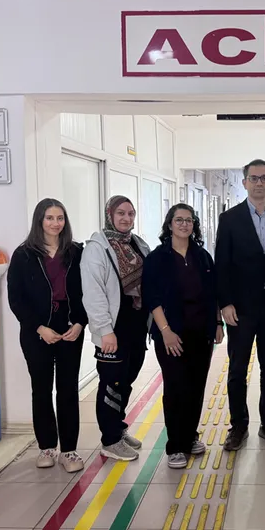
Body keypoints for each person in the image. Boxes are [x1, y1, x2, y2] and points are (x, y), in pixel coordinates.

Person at [216, 159, 265, 451]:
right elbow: (222, 264)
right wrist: (225, 303)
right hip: (240, 309)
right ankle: (238, 426)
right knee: (237, 370)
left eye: (264, 178)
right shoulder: (229, 218)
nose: (259, 183)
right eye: (254, 178)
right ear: (245, 182)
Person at [7, 198, 88, 472]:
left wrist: (80, 323)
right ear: (39, 220)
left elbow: (87, 292)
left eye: (60, 218)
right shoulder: (23, 255)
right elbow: (16, 299)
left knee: (68, 390)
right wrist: (39, 328)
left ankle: (69, 451)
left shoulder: (76, 252)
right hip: (36, 331)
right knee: (41, 390)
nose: (56, 223)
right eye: (50, 218)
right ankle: (47, 447)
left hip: (70, 328)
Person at [143, 204, 225, 468]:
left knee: (196, 387)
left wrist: (218, 323)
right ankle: (175, 445)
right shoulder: (157, 258)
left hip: (201, 333)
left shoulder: (202, 256)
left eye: (189, 220)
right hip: (171, 335)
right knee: (176, 387)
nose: (184, 225)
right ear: (169, 224)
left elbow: (213, 293)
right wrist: (166, 331)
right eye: (179, 220)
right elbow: (152, 298)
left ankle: (190, 437)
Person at [81, 195, 151, 461]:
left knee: (127, 380)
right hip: (113, 329)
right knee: (112, 383)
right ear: (109, 215)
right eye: (120, 213)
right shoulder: (97, 249)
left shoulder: (136, 243)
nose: (126, 218)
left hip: (136, 326)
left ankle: (118, 428)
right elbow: (94, 293)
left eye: (130, 214)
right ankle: (109, 440)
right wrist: (104, 330)